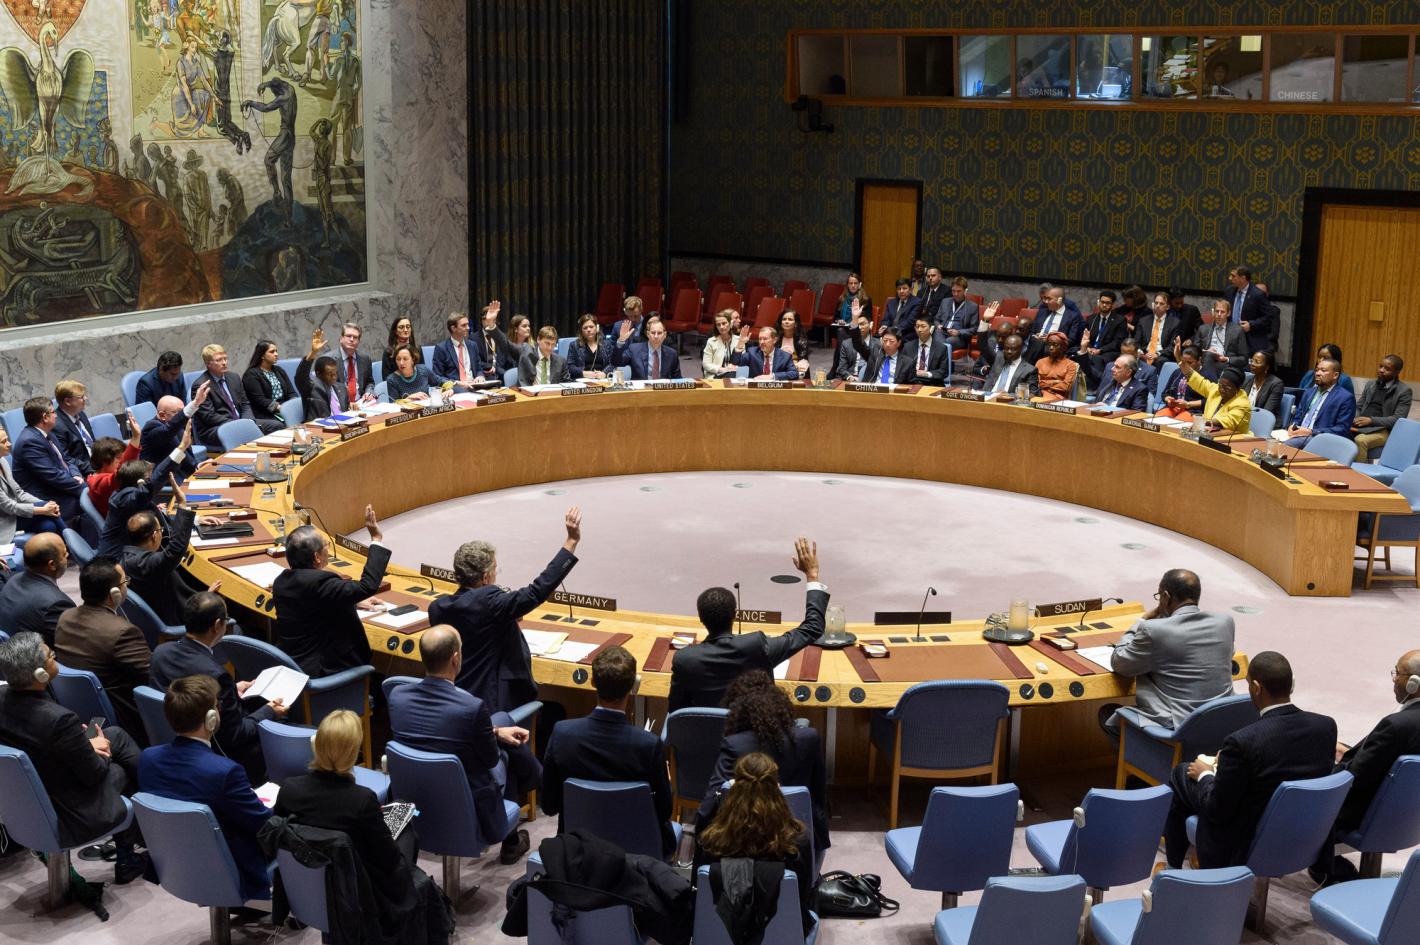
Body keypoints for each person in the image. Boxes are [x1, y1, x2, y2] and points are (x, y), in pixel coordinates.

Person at [1162, 651, 1336, 869]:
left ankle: (1173, 868)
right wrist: (1229, 764)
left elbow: (1217, 809)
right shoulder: (1325, 726)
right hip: (1303, 829)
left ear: (1256, 687)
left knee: (1182, 773)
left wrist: (1205, 774)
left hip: (1245, 839)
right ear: (1291, 685)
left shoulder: (1243, 741)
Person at [0, 633, 148, 883]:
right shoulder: (58, 719)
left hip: (32, 795)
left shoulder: (3, 699)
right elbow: (94, 774)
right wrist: (100, 750)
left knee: (114, 734)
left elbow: (40, 744)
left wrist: (83, 744)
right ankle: (129, 854)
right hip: (70, 808)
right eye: (50, 656)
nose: (54, 657)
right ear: (40, 675)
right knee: (120, 766)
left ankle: (140, 837)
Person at [388, 625, 538, 864]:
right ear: (455, 659)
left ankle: (531, 775)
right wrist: (495, 738)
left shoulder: (397, 696)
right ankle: (513, 831)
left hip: (414, 795)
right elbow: (490, 760)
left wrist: (495, 731)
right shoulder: (471, 708)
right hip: (464, 804)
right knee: (506, 756)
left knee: (500, 721)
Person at [429, 507, 581, 712]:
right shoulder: (489, 602)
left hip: (455, 702)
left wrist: (503, 616)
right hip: (494, 707)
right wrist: (570, 542)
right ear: (485, 577)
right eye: (495, 570)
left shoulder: (437, 609)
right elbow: (536, 592)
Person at [137, 674, 273, 903]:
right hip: (228, 866)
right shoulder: (225, 771)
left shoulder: (148, 759)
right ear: (212, 718)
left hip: (174, 861)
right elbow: (262, 824)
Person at [271, 710, 420, 902]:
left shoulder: (289, 789)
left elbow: (281, 840)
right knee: (406, 826)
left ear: (317, 745)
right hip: (356, 893)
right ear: (353, 752)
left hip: (306, 890)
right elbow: (389, 859)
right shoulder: (362, 800)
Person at [541, 645, 676, 856]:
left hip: (579, 850)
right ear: (634, 685)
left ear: (593, 682)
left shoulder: (561, 734)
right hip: (637, 853)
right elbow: (665, 811)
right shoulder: (648, 746)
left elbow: (549, 806)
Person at [668, 537, 826, 712]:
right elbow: (813, 627)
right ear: (734, 615)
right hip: (754, 734)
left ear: (701, 619)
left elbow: (676, 710)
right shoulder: (756, 647)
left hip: (703, 737)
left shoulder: (685, 659)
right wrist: (812, 575)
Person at [150, 592, 287, 783]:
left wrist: (233, 691)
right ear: (217, 626)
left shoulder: (160, 652)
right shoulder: (216, 675)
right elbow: (237, 735)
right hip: (224, 756)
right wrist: (269, 711)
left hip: (174, 741)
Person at [1100, 569, 1235, 738]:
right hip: (1221, 721)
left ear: (1165, 596)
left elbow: (1120, 662)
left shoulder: (1153, 630)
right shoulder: (1224, 622)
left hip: (1180, 728)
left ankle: (1154, 762)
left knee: (1107, 715)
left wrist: (1141, 622)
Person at [707, 671, 829, 856]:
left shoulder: (735, 744)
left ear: (739, 712)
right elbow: (819, 796)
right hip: (800, 841)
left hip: (744, 843)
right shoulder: (809, 738)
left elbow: (712, 801)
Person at [695, 752, 814, 937]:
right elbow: (802, 899)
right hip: (784, 936)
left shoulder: (710, 841)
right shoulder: (797, 842)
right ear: (777, 788)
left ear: (735, 788)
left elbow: (699, 896)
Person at [275, 505, 391, 677]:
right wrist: (376, 538)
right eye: (325, 545)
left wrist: (351, 599)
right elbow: (367, 586)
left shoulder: (281, 581)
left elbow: (313, 603)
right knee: (383, 683)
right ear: (317, 557)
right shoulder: (322, 583)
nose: (327, 548)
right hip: (327, 671)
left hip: (295, 665)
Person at [54, 557, 152, 738]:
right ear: (114, 593)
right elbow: (152, 676)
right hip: (126, 717)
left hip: (83, 713)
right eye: (125, 581)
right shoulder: (122, 631)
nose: (127, 586)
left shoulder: (65, 617)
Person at [1330, 650, 1420, 839]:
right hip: (1408, 816)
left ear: (1414, 684)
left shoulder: (1395, 725)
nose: (1394, 680)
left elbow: (1354, 779)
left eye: (1397, 673)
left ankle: (1324, 864)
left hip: (1365, 814)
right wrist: (1353, 752)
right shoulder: (1404, 725)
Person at [11, 396, 85, 522]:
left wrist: (77, 475)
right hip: (45, 497)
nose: (56, 415)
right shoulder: (29, 442)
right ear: (45, 417)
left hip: (61, 486)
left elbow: (67, 459)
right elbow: (53, 476)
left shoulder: (47, 433)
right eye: (53, 412)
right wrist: (82, 487)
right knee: (89, 499)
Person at [122, 505, 196, 625]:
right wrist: (207, 597)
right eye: (161, 530)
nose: (162, 532)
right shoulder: (145, 564)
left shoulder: (127, 555)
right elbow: (175, 550)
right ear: (154, 536)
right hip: (180, 619)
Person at [0, 533, 72, 644]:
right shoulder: (56, 604)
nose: (67, 556)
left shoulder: (13, 580)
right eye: (65, 554)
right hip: (31, 658)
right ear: (51, 565)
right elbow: (71, 645)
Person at [190, 344, 256, 449]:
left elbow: (245, 403)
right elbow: (209, 416)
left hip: (240, 421)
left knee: (274, 426)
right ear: (208, 364)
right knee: (239, 434)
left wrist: (249, 420)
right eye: (219, 360)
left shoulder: (234, 377)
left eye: (225, 359)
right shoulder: (200, 385)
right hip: (214, 428)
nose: (224, 363)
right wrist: (238, 424)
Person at [1285, 357, 1355, 449]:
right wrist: (1293, 426)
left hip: (1319, 438)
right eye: (1317, 370)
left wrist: (1311, 431)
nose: (1318, 373)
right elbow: (1298, 416)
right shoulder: (1308, 392)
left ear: (1335, 375)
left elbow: (1342, 429)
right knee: (1270, 440)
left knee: (1285, 446)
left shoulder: (1345, 398)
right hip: (1298, 434)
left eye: (1323, 370)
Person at [1352, 355, 1412, 462]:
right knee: (1338, 430)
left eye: (1387, 369)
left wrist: (1371, 420)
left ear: (1397, 372)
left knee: (1360, 440)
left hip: (1383, 431)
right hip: (1360, 425)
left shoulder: (1404, 391)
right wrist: (1355, 417)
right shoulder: (1371, 384)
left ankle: (1358, 475)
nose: (1381, 370)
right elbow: (1359, 406)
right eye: (1380, 366)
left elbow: (1398, 419)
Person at [140, 385, 207, 478]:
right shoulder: (151, 428)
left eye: (183, 411)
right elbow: (168, 430)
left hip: (182, 475)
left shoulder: (177, 428)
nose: (183, 416)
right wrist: (194, 404)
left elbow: (187, 460)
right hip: (165, 481)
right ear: (162, 415)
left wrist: (198, 466)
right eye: (179, 412)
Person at [1175, 360, 1251, 434]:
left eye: (1226, 388)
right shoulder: (1216, 390)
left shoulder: (1242, 403)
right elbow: (1197, 380)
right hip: (1209, 433)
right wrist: (1180, 360)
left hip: (1234, 439)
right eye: (1220, 385)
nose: (1222, 389)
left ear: (1237, 389)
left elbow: (1229, 421)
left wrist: (1204, 422)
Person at [240, 340, 296, 434]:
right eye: (272, 352)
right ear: (262, 355)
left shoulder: (279, 370)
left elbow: (291, 392)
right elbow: (260, 400)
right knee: (284, 424)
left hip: (284, 408)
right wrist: (281, 408)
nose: (276, 354)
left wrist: (293, 406)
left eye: (276, 351)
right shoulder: (251, 375)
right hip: (266, 412)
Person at [85, 427, 141, 518]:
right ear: (104, 460)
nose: (122, 462)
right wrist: (136, 437)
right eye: (119, 458)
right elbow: (121, 473)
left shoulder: (105, 477)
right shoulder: (97, 482)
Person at [1078, 291, 1129, 389]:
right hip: (1091, 349)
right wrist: (1088, 347)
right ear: (1099, 302)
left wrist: (1100, 350)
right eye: (1102, 302)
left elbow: (1118, 342)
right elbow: (1084, 336)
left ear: (1113, 305)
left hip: (1107, 352)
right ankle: (1078, 385)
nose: (1104, 305)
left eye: (1107, 303)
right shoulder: (1091, 318)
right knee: (1074, 353)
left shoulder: (1120, 320)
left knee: (1097, 359)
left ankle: (1093, 388)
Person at [52, 380, 97, 476]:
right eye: (81, 397)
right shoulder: (56, 425)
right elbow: (66, 459)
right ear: (67, 401)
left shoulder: (81, 414)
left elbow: (92, 443)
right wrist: (94, 470)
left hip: (98, 463)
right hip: (84, 472)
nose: (86, 398)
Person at [1192, 301, 1247, 381]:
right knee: (1208, 355)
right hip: (1205, 361)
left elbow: (1244, 358)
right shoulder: (1203, 329)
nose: (1219, 314)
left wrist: (1227, 359)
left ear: (1228, 313)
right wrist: (1204, 352)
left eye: (1222, 312)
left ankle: (1207, 385)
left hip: (1225, 365)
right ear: (1213, 312)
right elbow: (1194, 351)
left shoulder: (1237, 331)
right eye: (1217, 311)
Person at [432, 311, 488, 388]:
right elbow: (437, 377)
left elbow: (479, 368)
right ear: (453, 328)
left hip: (475, 387)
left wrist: (480, 376)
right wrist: (456, 383)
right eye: (464, 325)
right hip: (455, 389)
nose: (468, 328)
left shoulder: (473, 345)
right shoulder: (441, 349)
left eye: (468, 324)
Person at [1225, 265, 1273, 354]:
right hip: (1231, 336)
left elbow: (1268, 317)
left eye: (1233, 276)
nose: (1230, 278)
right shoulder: (1229, 291)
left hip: (1250, 338)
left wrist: (1251, 325)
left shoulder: (1258, 294)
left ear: (1243, 278)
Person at [615, 318, 682, 380]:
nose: (656, 336)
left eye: (659, 333)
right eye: (653, 333)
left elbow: (677, 379)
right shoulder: (634, 350)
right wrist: (621, 341)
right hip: (641, 390)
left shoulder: (672, 354)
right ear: (647, 334)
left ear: (664, 335)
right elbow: (617, 362)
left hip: (661, 391)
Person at [981, 333, 1037, 400]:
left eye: (1013, 349)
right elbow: (982, 344)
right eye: (1006, 348)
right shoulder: (998, 358)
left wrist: (1009, 395)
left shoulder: (1029, 370)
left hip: (1008, 403)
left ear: (1021, 349)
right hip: (987, 397)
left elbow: (1032, 393)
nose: (1009, 351)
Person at [733, 325, 799, 380]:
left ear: (774, 340)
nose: (761, 342)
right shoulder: (752, 352)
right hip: (755, 391)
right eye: (760, 339)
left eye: (765, 339)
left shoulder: (785, 356)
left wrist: (772, 376)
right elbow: (736, 362)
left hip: (775, 391)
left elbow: (794, 373)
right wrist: (740, 343)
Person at [902, 314, 951, 386]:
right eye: (917, 326)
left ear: (932, 328)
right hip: (912, 383)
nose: (919, 330)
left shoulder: (941, 348)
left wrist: (926, 374)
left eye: (923, 326)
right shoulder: (907, 346)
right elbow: (902, 369)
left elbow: (943, 372)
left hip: (932, 383)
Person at [1157, 345, 1205, 418]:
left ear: (1199, 360)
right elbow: (1165, 393)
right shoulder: (1177, 372)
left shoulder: (1207, 375)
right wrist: (1169, 400)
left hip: (1192, 411)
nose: (1186, 365)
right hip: (1173, 408)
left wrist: (1188, 404)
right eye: (1183, 362)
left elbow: (1209, 401)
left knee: (1178, 423)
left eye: (1189, 362)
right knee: (1157, 419)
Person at [1136, 291, 1183, 367]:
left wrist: (1158, 354)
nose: (1158, 306)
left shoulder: (1175, 323)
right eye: (1156, 303)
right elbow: (1137, 342)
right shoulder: (1143, 321)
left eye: (1161, 304)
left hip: (1161, 355)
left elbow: (1173, 346)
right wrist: (1141, 353)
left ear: (1167, 307)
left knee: (1160, 361)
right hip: (1144, 353)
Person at [936, 277, 979, 357]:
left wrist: (959, 332)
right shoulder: (945, 301)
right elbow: (936, 319)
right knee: (936, 335)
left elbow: (974, 329)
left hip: (959, 337)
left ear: (965, 291)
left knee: (947, 342)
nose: (955, 294)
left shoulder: (972, 306)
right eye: (953, 291)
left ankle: (940, 366)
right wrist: (938, 325)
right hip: (943, 331)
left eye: (959, 291)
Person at [1033, 287, 1085, 352]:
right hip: (1035, 346)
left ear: (1059, 300)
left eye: (1049, 299)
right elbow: (1032, 331)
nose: (1046, 302)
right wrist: (1035, 336)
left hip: (1055, 350)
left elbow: (1071, 340)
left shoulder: (1072, 316)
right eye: (1046, 298)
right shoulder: (1042, 311)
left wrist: (1051, 340)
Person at [334, 322, 376, 403]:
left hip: (361, 403)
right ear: (341, 338)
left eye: (355, 337)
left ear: (359, 341)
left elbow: (369, 382)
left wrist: (369, 392)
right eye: (349, 336)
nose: (352, 339)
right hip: (339, 406)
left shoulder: (365, 359)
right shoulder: (329, 360)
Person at [831, 309, 877, 381]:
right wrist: (849, 377)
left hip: (869, 380)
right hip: (851, 378)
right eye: (857, 325)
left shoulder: (878, 344)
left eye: (863, 324)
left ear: (870, 324)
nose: (860, 328)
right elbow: (841, 368)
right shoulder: (846, 343)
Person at [1243, 350, 1284, 426]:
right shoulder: (1247, 380)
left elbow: (1266, 412)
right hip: (1245, 422)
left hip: (1265, 424)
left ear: (1267, 367)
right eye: (1251, 361)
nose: (1252, 364)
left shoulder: (1276, 384)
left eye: (1257, 362)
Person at [1033, 331, 1078, 401]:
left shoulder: (1071, 365)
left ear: (1064, 347)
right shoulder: (1040, 362)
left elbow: (1065, 387)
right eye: (1049, 344)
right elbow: (1036, 384)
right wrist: (1056, 382)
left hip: (1059, 398)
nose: (1051, 348)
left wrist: (1045, 383)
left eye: (1055, 345)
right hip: (1039, 395)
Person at [569, 313, 615, 380]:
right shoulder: (574, 345)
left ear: (597, 328)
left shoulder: (606, 344)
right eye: (585, 328)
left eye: (591, 327)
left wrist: (604, 373)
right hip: (582, 380)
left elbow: (612, 363)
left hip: (602, 379)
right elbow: (570, 366)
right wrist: (583, 373)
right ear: (581, 331)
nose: (588, 330)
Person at [477, 301, 517, 377]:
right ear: (481, 321)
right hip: (485, 373)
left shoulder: (502, 337)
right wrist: (489, 366)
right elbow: (476, 361)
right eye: (484, 319)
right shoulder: (474, 338)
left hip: (502, 372)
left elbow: (508, 358)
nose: (487, 321)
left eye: (490, 319)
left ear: (495, 320)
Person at [702, 310, 744, 379]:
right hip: (716, 375)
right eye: (718, 325)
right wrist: (723, 370)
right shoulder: (711, 341)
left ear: (730, 324)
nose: (721, 327)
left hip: (735, 374)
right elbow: (706, 364)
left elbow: (743, 362)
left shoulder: (739, 340)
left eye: (724, 323)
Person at [778, 308, 811, 377]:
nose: (786, 322)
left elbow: (802, 362)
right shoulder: (776, 338)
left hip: (797, 373)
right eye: (784, 319)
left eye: (790, 319)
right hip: (778, 373)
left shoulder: (801, 339)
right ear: (781, 323)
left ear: (795, 323)